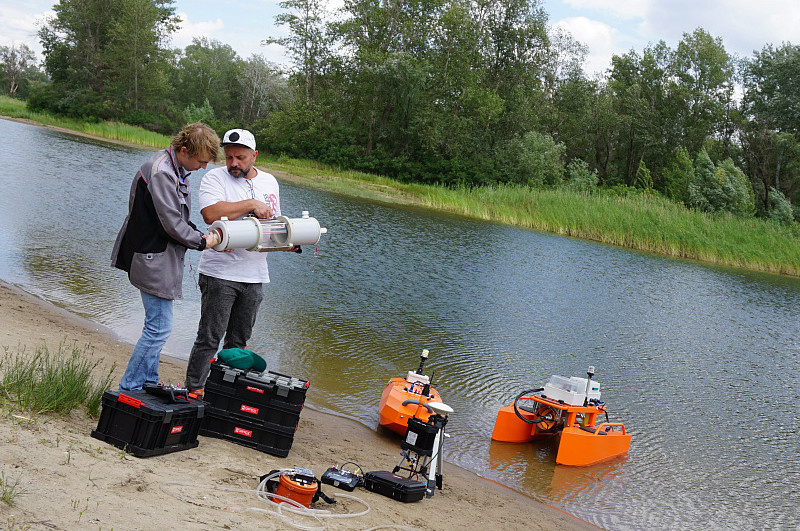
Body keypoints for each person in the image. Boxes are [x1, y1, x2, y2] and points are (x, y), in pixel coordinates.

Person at [111, 122, 222, 391]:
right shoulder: (162, 172)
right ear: (184, 150)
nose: (203, 167)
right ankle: (131, 387)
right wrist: (203, 241)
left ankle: (147, 382)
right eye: (201, 160)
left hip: (157, 258)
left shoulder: (174, 169)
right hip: (151, 258)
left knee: (157, 326)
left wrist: (198, 234)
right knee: (158, 328)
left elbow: (176, 217)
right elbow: (171, 223)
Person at [184, 128, 290, 395]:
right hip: (219, 274)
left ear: (254, 155)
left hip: (255, 275)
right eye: (229, 157)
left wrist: (292, 242)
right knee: (209, 338)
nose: (233, 163)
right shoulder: (213, 178)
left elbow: (272, 227)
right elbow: (210, 214)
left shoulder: (270, 182)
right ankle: (194, 390)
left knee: (238, 343)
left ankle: (223, 393)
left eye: (240, 158)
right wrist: (251, 203)